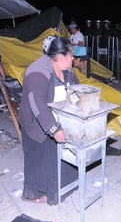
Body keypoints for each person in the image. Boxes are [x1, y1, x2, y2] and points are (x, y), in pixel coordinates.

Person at [19, 36, 78, 205]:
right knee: (43, 160)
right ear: (59, 56)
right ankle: (37, 192)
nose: (73, 58)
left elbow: (76, 89)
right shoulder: (37, 72)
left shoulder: (66, 70)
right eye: (70, 55)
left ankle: (60, 188)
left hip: (57, 117)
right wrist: (54, 129)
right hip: (37, 123)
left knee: (63, 157)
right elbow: (37, 105)